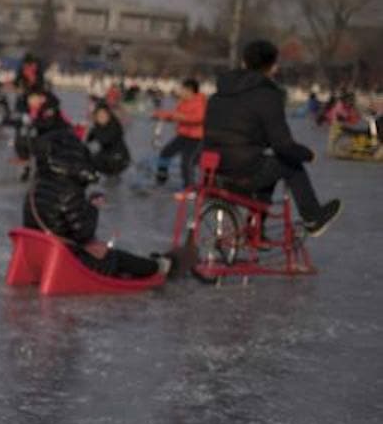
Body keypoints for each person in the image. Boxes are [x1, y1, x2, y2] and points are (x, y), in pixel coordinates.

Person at [24, 91, 177, 280]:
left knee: (103, 249)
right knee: (116, 257)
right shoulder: (68, 191)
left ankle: (154, 265)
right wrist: (93, 207)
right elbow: (83, 233)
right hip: (68, 259)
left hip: (40, 254)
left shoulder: (36, 186)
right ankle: (158, 267)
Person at [203, 40, 342, 236]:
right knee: (290, 164)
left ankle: (257, 226)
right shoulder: (268, 95)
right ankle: (313, 217)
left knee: (268, 165)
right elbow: (282, 144)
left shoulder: (219, 94)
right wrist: (306, 154)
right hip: (242, 172)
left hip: (213, 171)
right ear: (273, 66)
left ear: (243, 62)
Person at [152, 78, 206, 187]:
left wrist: (180, 116)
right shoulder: (183, 102)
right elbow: (175, 116)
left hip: (195, 138)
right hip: (183, 135)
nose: (180, 91)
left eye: (182, 89)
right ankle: (161, 178)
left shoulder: (200, 102)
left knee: (187, 162)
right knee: (165, 153)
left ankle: (189, 187)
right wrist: (161, 115)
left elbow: (199, 118)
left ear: (189, 90)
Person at [85, 103, 130, 179]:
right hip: (106, 156)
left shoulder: (115, 125)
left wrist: (93, 130)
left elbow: (105, 139)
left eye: (104, 115)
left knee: (96, 161)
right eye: (99, 116)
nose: (102, 118)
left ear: (109, 115)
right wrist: (85, 131)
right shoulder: (97, 126)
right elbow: (88, 140)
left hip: (119, 158)